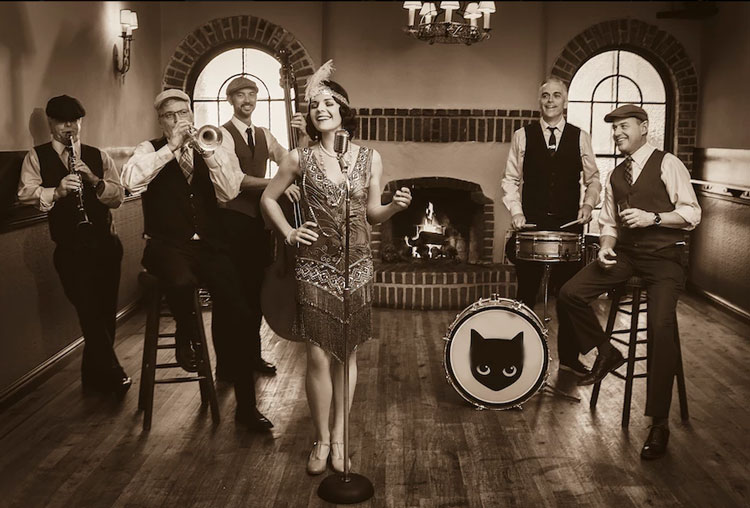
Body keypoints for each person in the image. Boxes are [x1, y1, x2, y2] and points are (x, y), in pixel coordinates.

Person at [260, 61, 412, 474]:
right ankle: (322, 439)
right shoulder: (299, 158)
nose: (321, 110)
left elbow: (372, 214)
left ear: (344, 110)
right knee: (317, 356)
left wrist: (393, 207)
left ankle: (341, 437)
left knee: (347, 354)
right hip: (314, 267)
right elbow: (268, 198)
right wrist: (290, 233)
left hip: (357, 267)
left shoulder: (369, 158)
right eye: (314, 106)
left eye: (329, 103)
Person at [121, 89, 272, 431]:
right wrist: (170, 149)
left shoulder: (212, 145)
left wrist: (210, 155)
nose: (178, 120)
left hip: (209, 245)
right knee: (180, 281)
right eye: (170, 115)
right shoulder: (149, 149)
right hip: (166, 246)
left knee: (239, 310)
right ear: (161, 121)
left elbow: (229, 190)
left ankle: (247, 408)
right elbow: (130, 182)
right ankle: (186, 332)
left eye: (183, 113)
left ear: (191, 114)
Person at [557, 104, 701, 459]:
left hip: (665, 258)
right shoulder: (615, 175)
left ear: (644, 128)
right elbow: (608, 222)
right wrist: (606, 246)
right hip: (626, 256)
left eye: (624, 126)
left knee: (660, 328)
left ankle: (659, 423)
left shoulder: (668, 163)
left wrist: (654, 218)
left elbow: (692, 213)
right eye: (615, 128)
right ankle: (607, 352)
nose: (617, 133)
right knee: (570, 293)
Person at [18, 95, 131, 397]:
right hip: (70, 249)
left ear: (80, 122)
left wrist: (93, 179)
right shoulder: (36, 156)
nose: (69, 127)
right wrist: (56, 192)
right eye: (61, 121)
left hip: (106, 244)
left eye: (74, 120)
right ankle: (113, 371)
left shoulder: (98, 156)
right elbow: (25, 193)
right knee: (88, 310)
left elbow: (118, 197)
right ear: (50, 123)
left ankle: (92, 375)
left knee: (104, 311)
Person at [501, 76, 601, 377]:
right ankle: (517, 356)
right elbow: (511, 179)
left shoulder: (580, 136)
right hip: (531, 224)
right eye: (545, 95)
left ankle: (569, 358)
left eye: (557, 95)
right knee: (526, 292)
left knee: (568, 294)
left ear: (565, 101)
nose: (550, 101)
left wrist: (588, 205)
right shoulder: (522, 136)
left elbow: (593, 179)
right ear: (539, 101)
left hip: (569, 225)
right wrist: (516, 212)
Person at [211, 76, 307, 381]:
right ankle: (226, 366)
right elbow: (236, 181)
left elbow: (292, 163)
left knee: (254, 294)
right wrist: (277, 185)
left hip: (258, 226)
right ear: (230, 100)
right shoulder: (221, 136)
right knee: (230, 297)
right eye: (240, 95)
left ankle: (251, 357)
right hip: (231, 225)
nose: (247, 100)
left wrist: (304, 136)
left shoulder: (264, 134)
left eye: (251, 94)